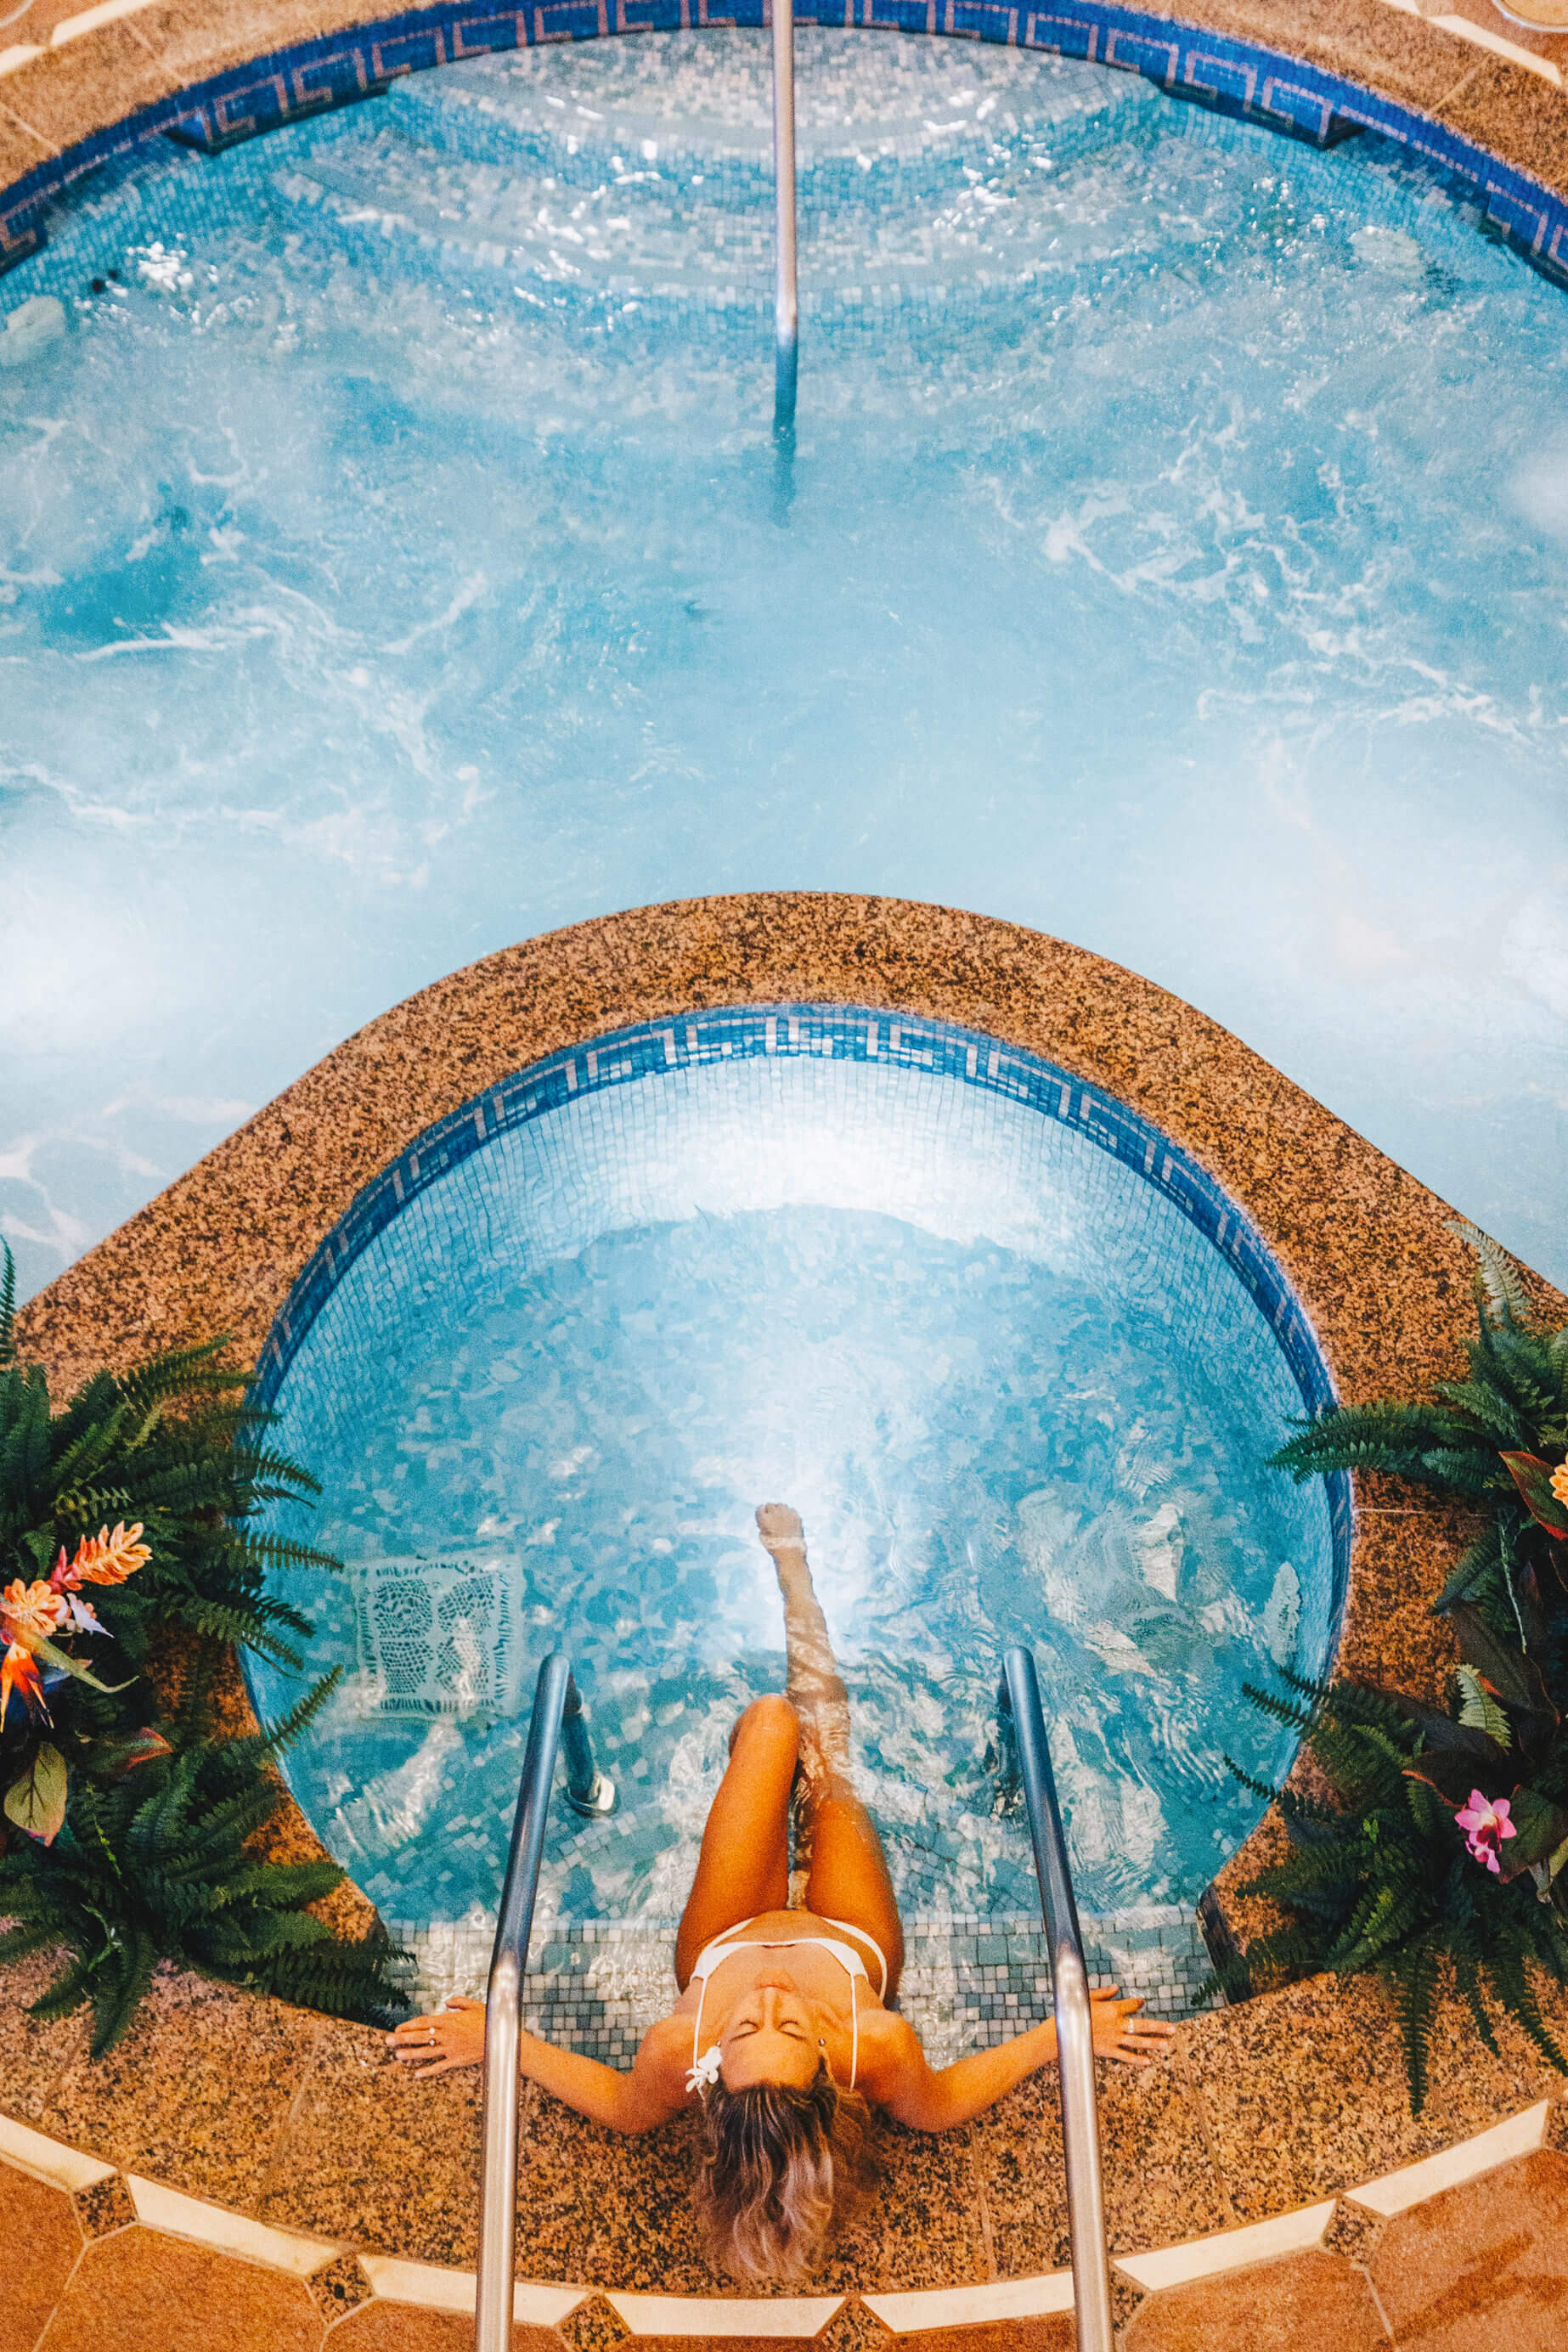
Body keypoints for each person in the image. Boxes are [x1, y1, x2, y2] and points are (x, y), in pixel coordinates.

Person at [388, 1504, 1175, 2281]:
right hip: (846, 1931)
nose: (767, 1994)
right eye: (789, 2028)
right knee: (826, 1756)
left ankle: (771, 1788)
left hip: (728, 1928)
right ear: (827, 2069)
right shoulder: (877, 2046)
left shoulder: (677, 2051)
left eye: (744, 2029)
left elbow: (624, 2109)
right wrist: (1066, 2032)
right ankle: (797, 1581)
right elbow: (940, 2105)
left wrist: (500, 2041)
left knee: (769, 1722)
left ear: (713, 2068)